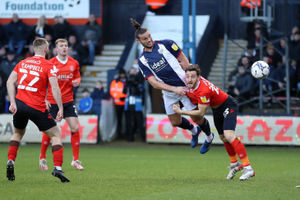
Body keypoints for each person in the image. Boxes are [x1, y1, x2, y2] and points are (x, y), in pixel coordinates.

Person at [130, 18, 214, 151]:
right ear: (138, 41)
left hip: (185, 86)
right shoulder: (142, 60)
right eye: (145, 39)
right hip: (170, 91)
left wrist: (191, 80)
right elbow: (154, 83)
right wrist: (174, 89)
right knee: (175, 122)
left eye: (149, 36)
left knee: (197, 117)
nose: (149, 40)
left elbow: (184, 60)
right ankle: (194, 131)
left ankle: (209, 137)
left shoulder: (167, 44)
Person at [173, 64, 255, 181]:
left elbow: (201, 113)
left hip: (228, 105)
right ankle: (234, 164)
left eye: (192, 77)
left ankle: (248, 168)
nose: (189, 79)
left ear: (198, 77)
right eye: (187, 76)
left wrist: (181, 111)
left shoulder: (203, 90)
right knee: (223, 138)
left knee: (229, 135)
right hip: (217, 110)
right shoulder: (191, 84)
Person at [6, 38, 69, 182]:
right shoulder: (48, 65)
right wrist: (60, 107)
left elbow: (9, 82)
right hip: (37, 107)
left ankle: (11, 161)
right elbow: (55, 88)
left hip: (20, 105)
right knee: (56, 134)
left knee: (17, 133)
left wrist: (12, 102)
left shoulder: (22, 62)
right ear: (46, 50)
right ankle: (58, 169)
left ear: (34, 49)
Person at [39, 38, 83, 171]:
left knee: (75, 127)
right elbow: (42, 82)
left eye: (66, 45)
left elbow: (78, 77)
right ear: (56, 49)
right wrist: (44, 99)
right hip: (52, 102)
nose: (64, 48)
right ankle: (42, 158)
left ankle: (75, 160)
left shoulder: (74, 63)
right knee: (49, 131)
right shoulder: (50, 63)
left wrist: (78, 81)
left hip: (68, 101)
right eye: (61, 46)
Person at [124, 67, 145, 141]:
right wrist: (128, 84)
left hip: (137, 104)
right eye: (131, 71)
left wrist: (136, 84)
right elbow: (124, 91)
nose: (132, 73)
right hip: (128, 104)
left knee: (139, 121)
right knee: (129, 121)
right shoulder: (127, 81)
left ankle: (143, 137)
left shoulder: (139, 80)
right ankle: (129, 137)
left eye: (134, 71)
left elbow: (141, 90)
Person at [110, 69, 127, 139]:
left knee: (126, 120)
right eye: (121, 74)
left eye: (123, 74)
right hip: (118, 104)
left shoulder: (126, 81)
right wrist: (121, 97)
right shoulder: (115, 82)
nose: (122, 75)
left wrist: (123, 96)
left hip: (126, 104)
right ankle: (119, 135)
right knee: (119, 120)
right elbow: (112, 92)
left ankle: (125, 134)